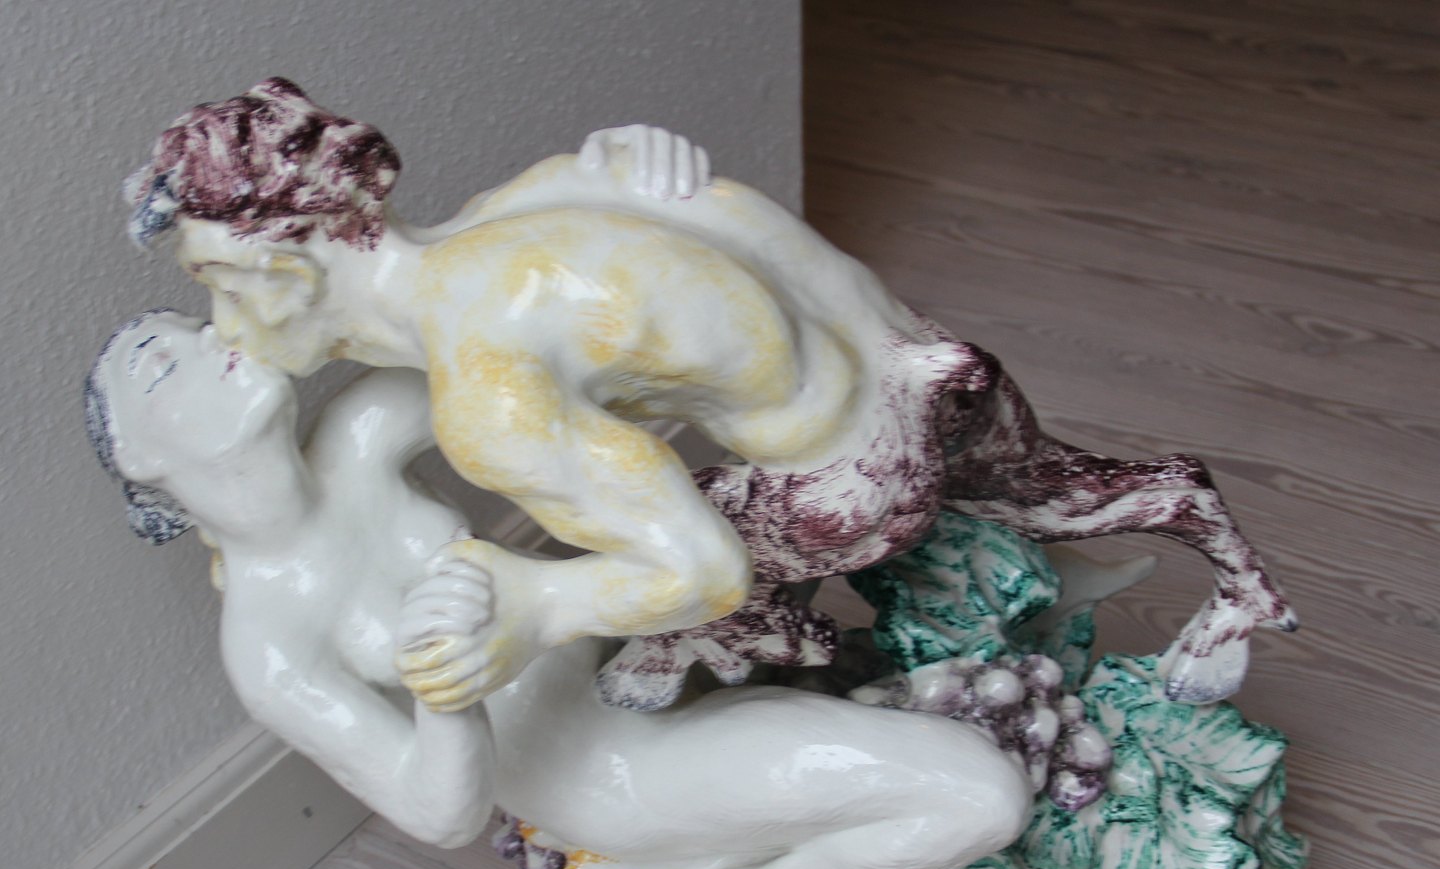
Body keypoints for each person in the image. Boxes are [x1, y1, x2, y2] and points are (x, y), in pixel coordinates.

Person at [126, 80, 1294, 711]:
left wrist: (534, 604)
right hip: (919, 360)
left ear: (278, 271)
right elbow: (698, 208)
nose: (224, 327)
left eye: (213, 289)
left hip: (848, 480)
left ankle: (838, 665)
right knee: (1052, 489)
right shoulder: (526, 198)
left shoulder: (489, 396)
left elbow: (701, 568)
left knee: (668, 598)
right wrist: (646, 153)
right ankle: (1237, 582)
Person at [86, 311, 1032, 869]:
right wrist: (444, 687)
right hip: (611, 760)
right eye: (166, 363)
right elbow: (437, 811)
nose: (216, 340)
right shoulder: (269, 643)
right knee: (978, 796)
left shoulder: (360, 437)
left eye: (202, 325)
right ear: (137, 454)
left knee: (850, 491)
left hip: (661, 633)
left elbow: (517, 341)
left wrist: (627, 184)